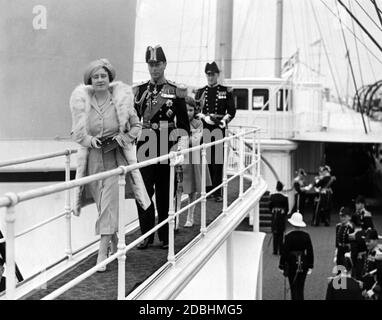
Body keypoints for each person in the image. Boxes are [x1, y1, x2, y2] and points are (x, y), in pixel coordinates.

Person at [70, 58, 151, 271]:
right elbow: (78, 134)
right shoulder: (83, 102)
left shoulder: (120, 100)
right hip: (93, 161)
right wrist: (89, 140)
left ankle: (101, 255)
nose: (99, 80)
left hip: (115, 159)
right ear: (90, 80)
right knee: (102, 207)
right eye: (95, 77)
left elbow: (137, 126)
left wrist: (122, 139)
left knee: (108, 205)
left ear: (109, 78)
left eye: (103, 76)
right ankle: (115, 243)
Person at [133, 45, 190, 249]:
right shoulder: (139, 91)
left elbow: (184, 126)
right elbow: (132, 121)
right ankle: (146, 235)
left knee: (166, 193)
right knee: (144, 191)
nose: (154, 68)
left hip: (167, 144)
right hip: (145, 145)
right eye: (151, 64)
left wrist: (179, 149)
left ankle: (165, 236)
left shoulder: (175, 91)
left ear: (165, 64)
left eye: (157, 64)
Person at [195, 62, 236, 202]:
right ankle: (207, 190)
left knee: (218, 161)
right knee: (206, 158)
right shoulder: (200, 92)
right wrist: (204, 117)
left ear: (217, 75)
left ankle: (217, 192)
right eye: (208, 74)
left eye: (213, 74)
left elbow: (231, 111)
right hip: (206, 127)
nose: (210, 77)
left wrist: (224, 121)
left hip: (219, 127)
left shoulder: (226, 91)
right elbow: (195, 111)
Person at [183, 96, 211, 227]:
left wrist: (186, 137)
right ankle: (176, 219)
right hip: (181, 157)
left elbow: (194, 140)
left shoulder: (198, 123)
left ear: (194, 111)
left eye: (190, 110)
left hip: (193, 158)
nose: (188, 112)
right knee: (176, 188)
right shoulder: (178, 121)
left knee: (192, 190)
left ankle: (190, 216)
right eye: (185, 110)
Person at [279, 212, 314, 300]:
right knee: (300, 287)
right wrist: (310, 265)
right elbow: (310, 251)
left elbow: (285, 252)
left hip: (292, 262)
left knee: (293, 286)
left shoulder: (288, 236)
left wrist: (281, 265)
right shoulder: (306, 236)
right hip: (304, 262)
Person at [360, 229, 382, 300]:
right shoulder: (370, 250)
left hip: (375, 291)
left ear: (376, 240)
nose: (366, 243)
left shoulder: (379, 255)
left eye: (369, 241)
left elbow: (380, 278)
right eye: (366, 241)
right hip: (367, 287)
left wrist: (371, 292)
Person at [269, 181, 289, 255]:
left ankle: (275, 250)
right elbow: (287, 209)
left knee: (275, 233)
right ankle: (281, 250)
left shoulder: (272, 196)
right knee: (281, 234)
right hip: (281, 216)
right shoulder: (285, 197)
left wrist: (273, 211)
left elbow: (270, 207)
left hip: (274, 215)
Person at [349, 215, 367, 280]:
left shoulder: (353, 235)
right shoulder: (365, 232)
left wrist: (352, 261)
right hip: (366, 258)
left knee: (356, 279)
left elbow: (354, 250)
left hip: (357, 259)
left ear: (353, 223)